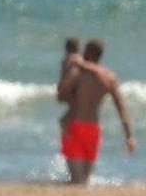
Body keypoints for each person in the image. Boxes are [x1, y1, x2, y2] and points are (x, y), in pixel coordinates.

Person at [56, 39, 136, 184]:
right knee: (84, 181)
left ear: (87, 52)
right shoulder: (110, 78)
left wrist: (65, 69)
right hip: (93, 129)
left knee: (76, 180)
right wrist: (129, 136)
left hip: (73, 126)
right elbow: (121, 108)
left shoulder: (77, 72)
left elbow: (61, 96)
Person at [56, 37, 82, 135]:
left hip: (71, 87)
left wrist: (62, 88)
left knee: (70, 113)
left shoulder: (69, 59)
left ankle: (68, 135)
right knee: (74, 110)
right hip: (76, 88)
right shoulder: (79, 59)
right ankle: (70, 133)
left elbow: (70, 74)